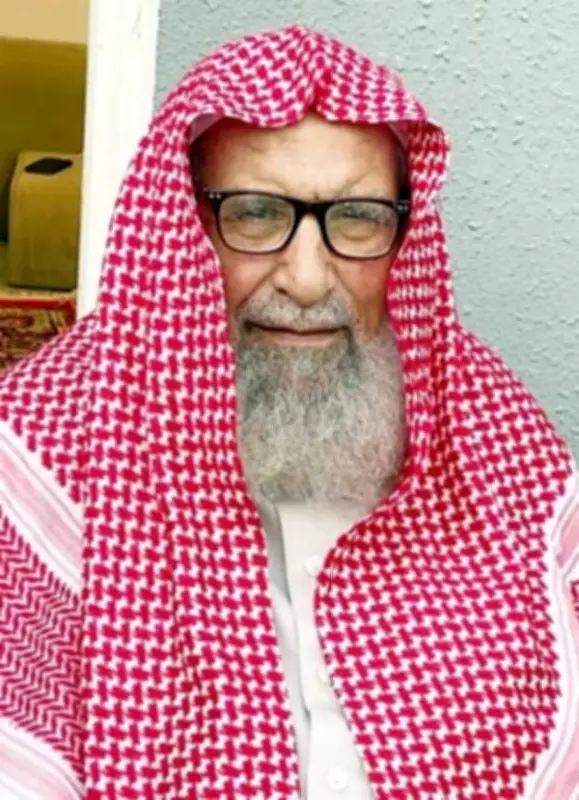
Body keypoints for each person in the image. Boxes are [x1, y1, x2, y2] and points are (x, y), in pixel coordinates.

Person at [0, 23, 577, 800]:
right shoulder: (47, 435)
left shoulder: (487, 432)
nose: (306, 280)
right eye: (255, 214)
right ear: (184, 222)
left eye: (359, 217)